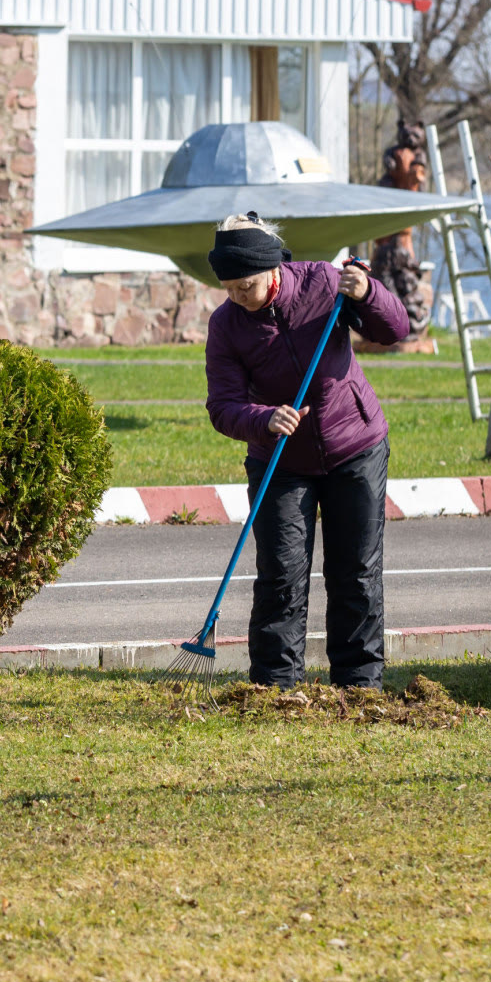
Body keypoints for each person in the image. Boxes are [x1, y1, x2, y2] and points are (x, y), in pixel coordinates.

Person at [203, 212, 409, 689]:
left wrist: (367, 293)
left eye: (246, 286)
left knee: (356, 571)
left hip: (355, 445)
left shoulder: (323, 282)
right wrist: (263, 418)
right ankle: (275, 686)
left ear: (273, 267)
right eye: (229, 287)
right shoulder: (227, 325)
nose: (238, 296)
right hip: (280, 460)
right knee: (280, 575)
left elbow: (395, 330)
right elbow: (223, 406)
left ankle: (358, 684)